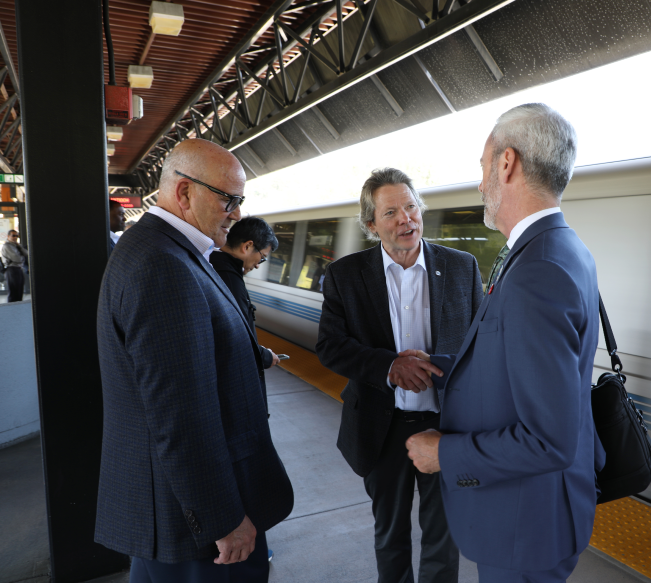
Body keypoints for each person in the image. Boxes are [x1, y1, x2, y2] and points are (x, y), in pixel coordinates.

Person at [405, 103, 605, 582]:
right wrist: (451, 364)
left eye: (482, 166)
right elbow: (527, 361)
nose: (479, 182)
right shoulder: (561, 248)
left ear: (507, 163)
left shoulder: (538, 270)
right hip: (538, 514)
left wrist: (442, 455)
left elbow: (547, 439)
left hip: (524, 527)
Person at [95, 138, 294, 583]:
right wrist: (221, 517)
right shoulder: (163, 266)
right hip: (195, 525)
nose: (237, 213)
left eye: (239, 200)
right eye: (228, 199)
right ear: (184, 193)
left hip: (175, 511)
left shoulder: (166, 251)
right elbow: (180, 414)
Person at [316, 168, 483, 583]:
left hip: (445, 425)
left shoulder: (461, 267)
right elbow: (330, 346)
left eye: (411, 207)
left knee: (444, 535)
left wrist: (439, 366)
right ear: (372, 225)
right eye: (391, 212)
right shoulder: (345, 275)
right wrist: (389, 366)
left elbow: (483, 345)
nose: (406, 219)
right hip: (380, 425)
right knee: (390, 533)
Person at [209, 217, 281, 375]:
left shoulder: (210, 265)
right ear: (248, 246)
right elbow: (236, 337)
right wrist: (264, 357)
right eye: (261, 258)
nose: (257, 265)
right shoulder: (230, 279)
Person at [1, 229, 27, 302]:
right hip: (11, 269)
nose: (15, 237)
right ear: (8, 236)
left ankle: (18, 309)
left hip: (18, 269)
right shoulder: (7, 246)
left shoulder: (16, 245)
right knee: (14, 292)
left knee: (19, 291)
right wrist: (22, 257)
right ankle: (12, 310)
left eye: (16, 236)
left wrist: (19, 246)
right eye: (13, 235)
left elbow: (26, 253)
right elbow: (17, 258)